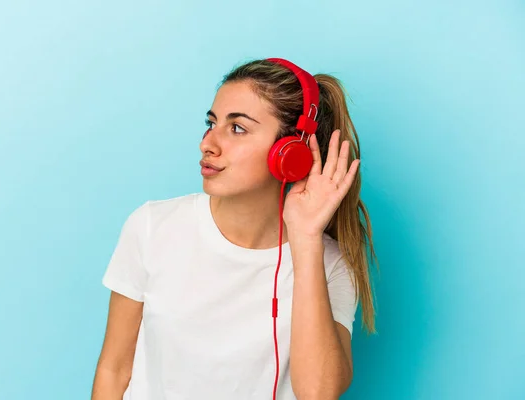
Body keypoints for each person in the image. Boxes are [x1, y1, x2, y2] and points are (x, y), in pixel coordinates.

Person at [91, 58, 378, 400]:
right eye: (211, 123)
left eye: (237, 128)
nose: (208, 144)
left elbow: (318, 393)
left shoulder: (329, 262)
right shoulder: (152, 226)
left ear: (290, 152)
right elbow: (114, 370)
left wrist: (304, 238)